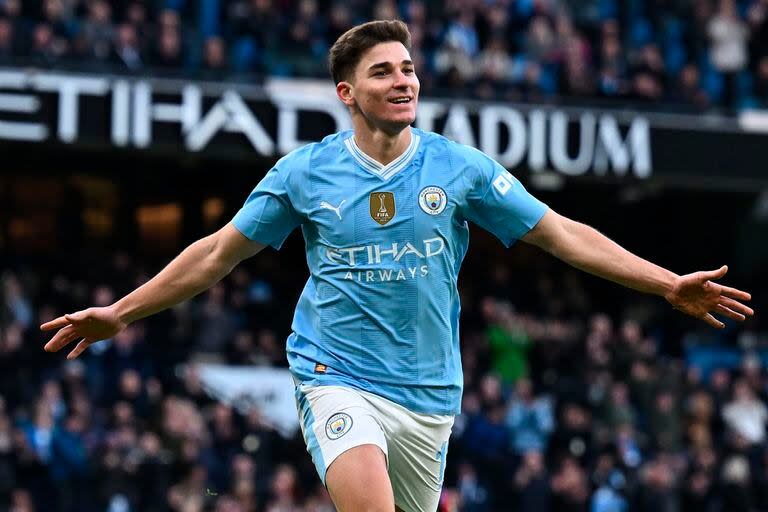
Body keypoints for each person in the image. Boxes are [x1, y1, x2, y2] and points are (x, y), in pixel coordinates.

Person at [41, 20, 754, 512]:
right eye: (382, 71)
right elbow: (217, 254)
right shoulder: (305, 174)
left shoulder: (460, 169)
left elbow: (562, 235)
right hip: (335, 375)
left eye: (408, 68)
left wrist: (667, 283)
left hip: (430, 397)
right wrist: (122, 312)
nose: (403, 79)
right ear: (347, 94)